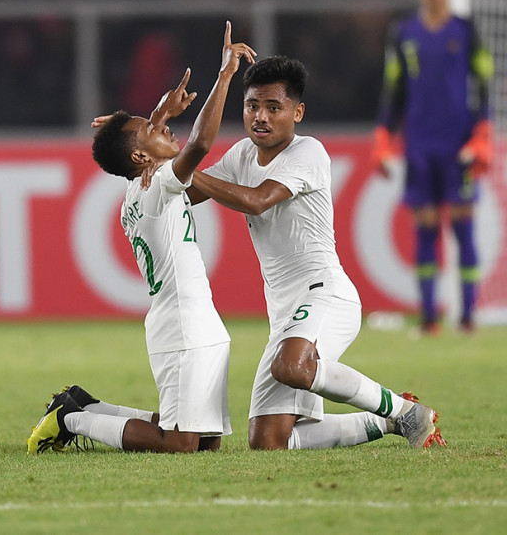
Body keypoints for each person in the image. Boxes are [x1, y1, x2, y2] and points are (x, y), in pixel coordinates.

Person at [187, 55, 446, 450]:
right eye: (252, 105)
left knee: (292, 366)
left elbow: (258, 200)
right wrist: (152, 159)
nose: (260, 117)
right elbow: (187, 192)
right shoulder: (241, 155)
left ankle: (403, 412)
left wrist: (179, 167)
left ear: (298, 112)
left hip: (324, 293)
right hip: (285, 313)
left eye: (274, 108)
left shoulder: (308, 152)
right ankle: (391, 423)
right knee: (269, 441)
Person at [27, 23, 256, 454]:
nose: (166, 129)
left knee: (202, 443)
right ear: (139, 157)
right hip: (182, 324)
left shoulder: (142, 185)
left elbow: (149, 141)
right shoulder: (157, 185)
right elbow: (201, 142)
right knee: (181, 443)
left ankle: (86, 405)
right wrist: (225, 74)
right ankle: (71, 418)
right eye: (153, 130)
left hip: (193, 320)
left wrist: (157, 116)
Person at [372, 0, 495, 334]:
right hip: (420, 144)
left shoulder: (467, 30)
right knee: (425, 225)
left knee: (462, 224)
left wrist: (483, 134)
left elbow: (486, 84)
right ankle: (429, 318)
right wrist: (383, 136)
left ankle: (468, 316)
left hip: (458, 144)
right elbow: (393, 89)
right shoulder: (403, 33)